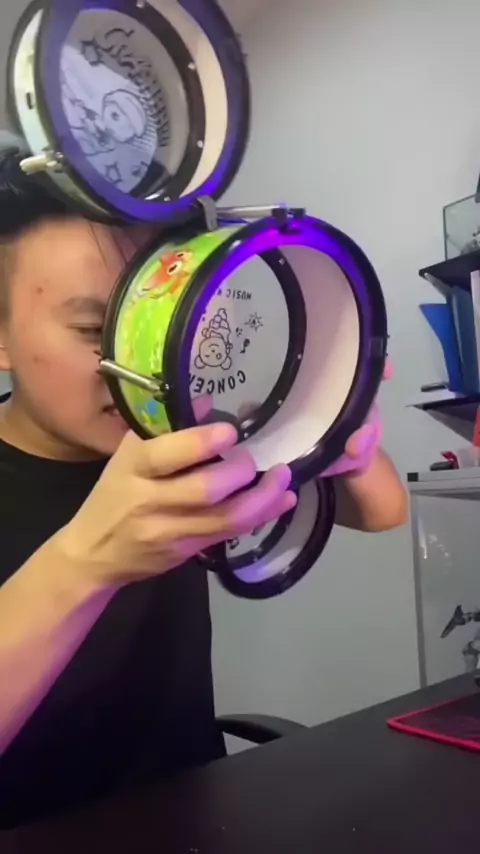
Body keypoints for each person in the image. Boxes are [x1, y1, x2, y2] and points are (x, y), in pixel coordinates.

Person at [0, 145, 407, 830]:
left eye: (155, 324)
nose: (137, 362)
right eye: (95, 329)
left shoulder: (181, 432)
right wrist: (88, 561)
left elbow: (385, 510)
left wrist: (331, 426)